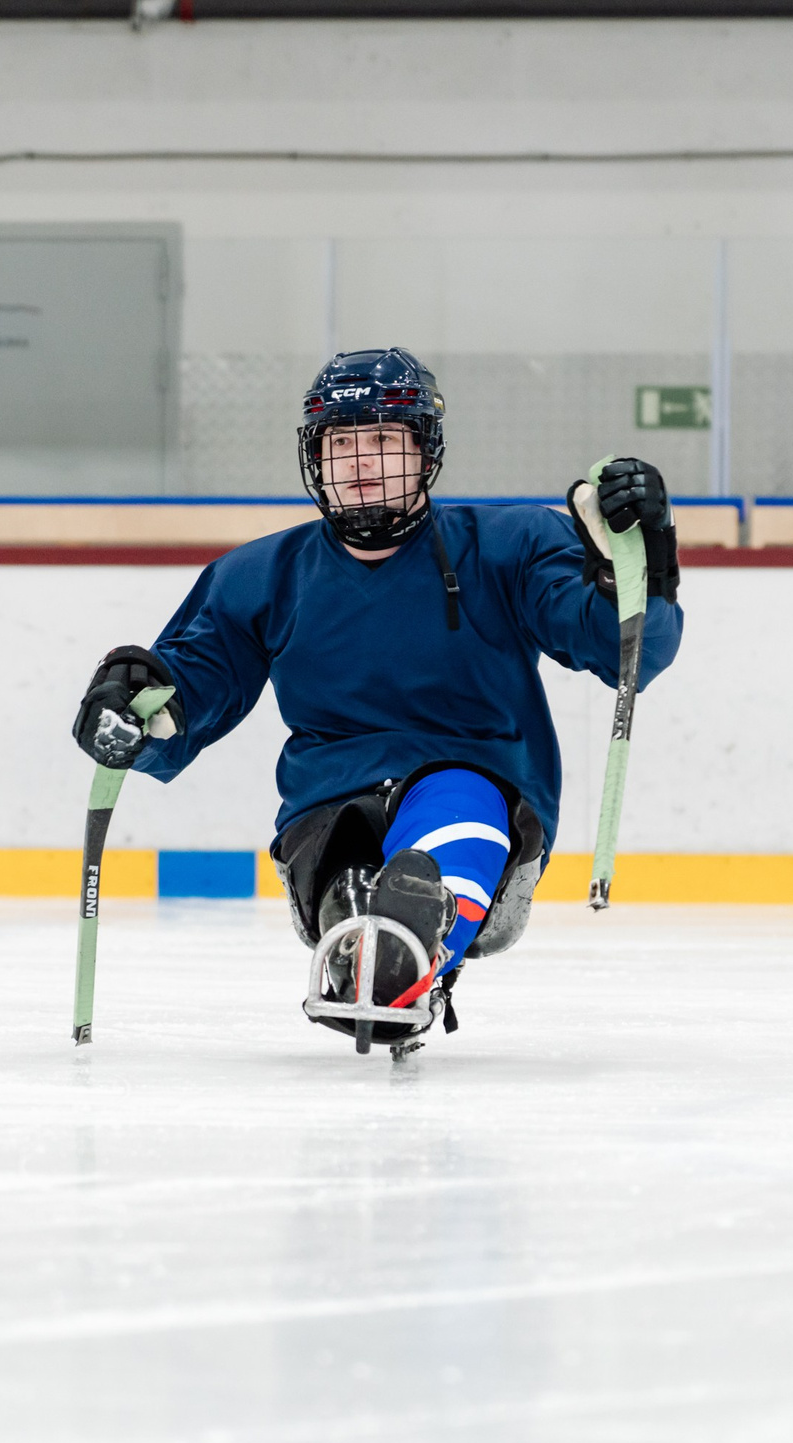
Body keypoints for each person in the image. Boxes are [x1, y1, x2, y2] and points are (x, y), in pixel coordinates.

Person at [70, 347, 683, 1049]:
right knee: (351, 873)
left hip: (478, 782)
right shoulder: (259, 577)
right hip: (328, 805)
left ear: (426, 452)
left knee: (456, 805)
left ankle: (407, 950)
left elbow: (627, 652)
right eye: (342, 442)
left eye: (385, 440)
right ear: (315, 457)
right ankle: (371, 938)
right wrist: (132, 707)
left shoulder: (509, 545)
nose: (362, 462)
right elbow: (190, 691)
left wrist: (637, 566)